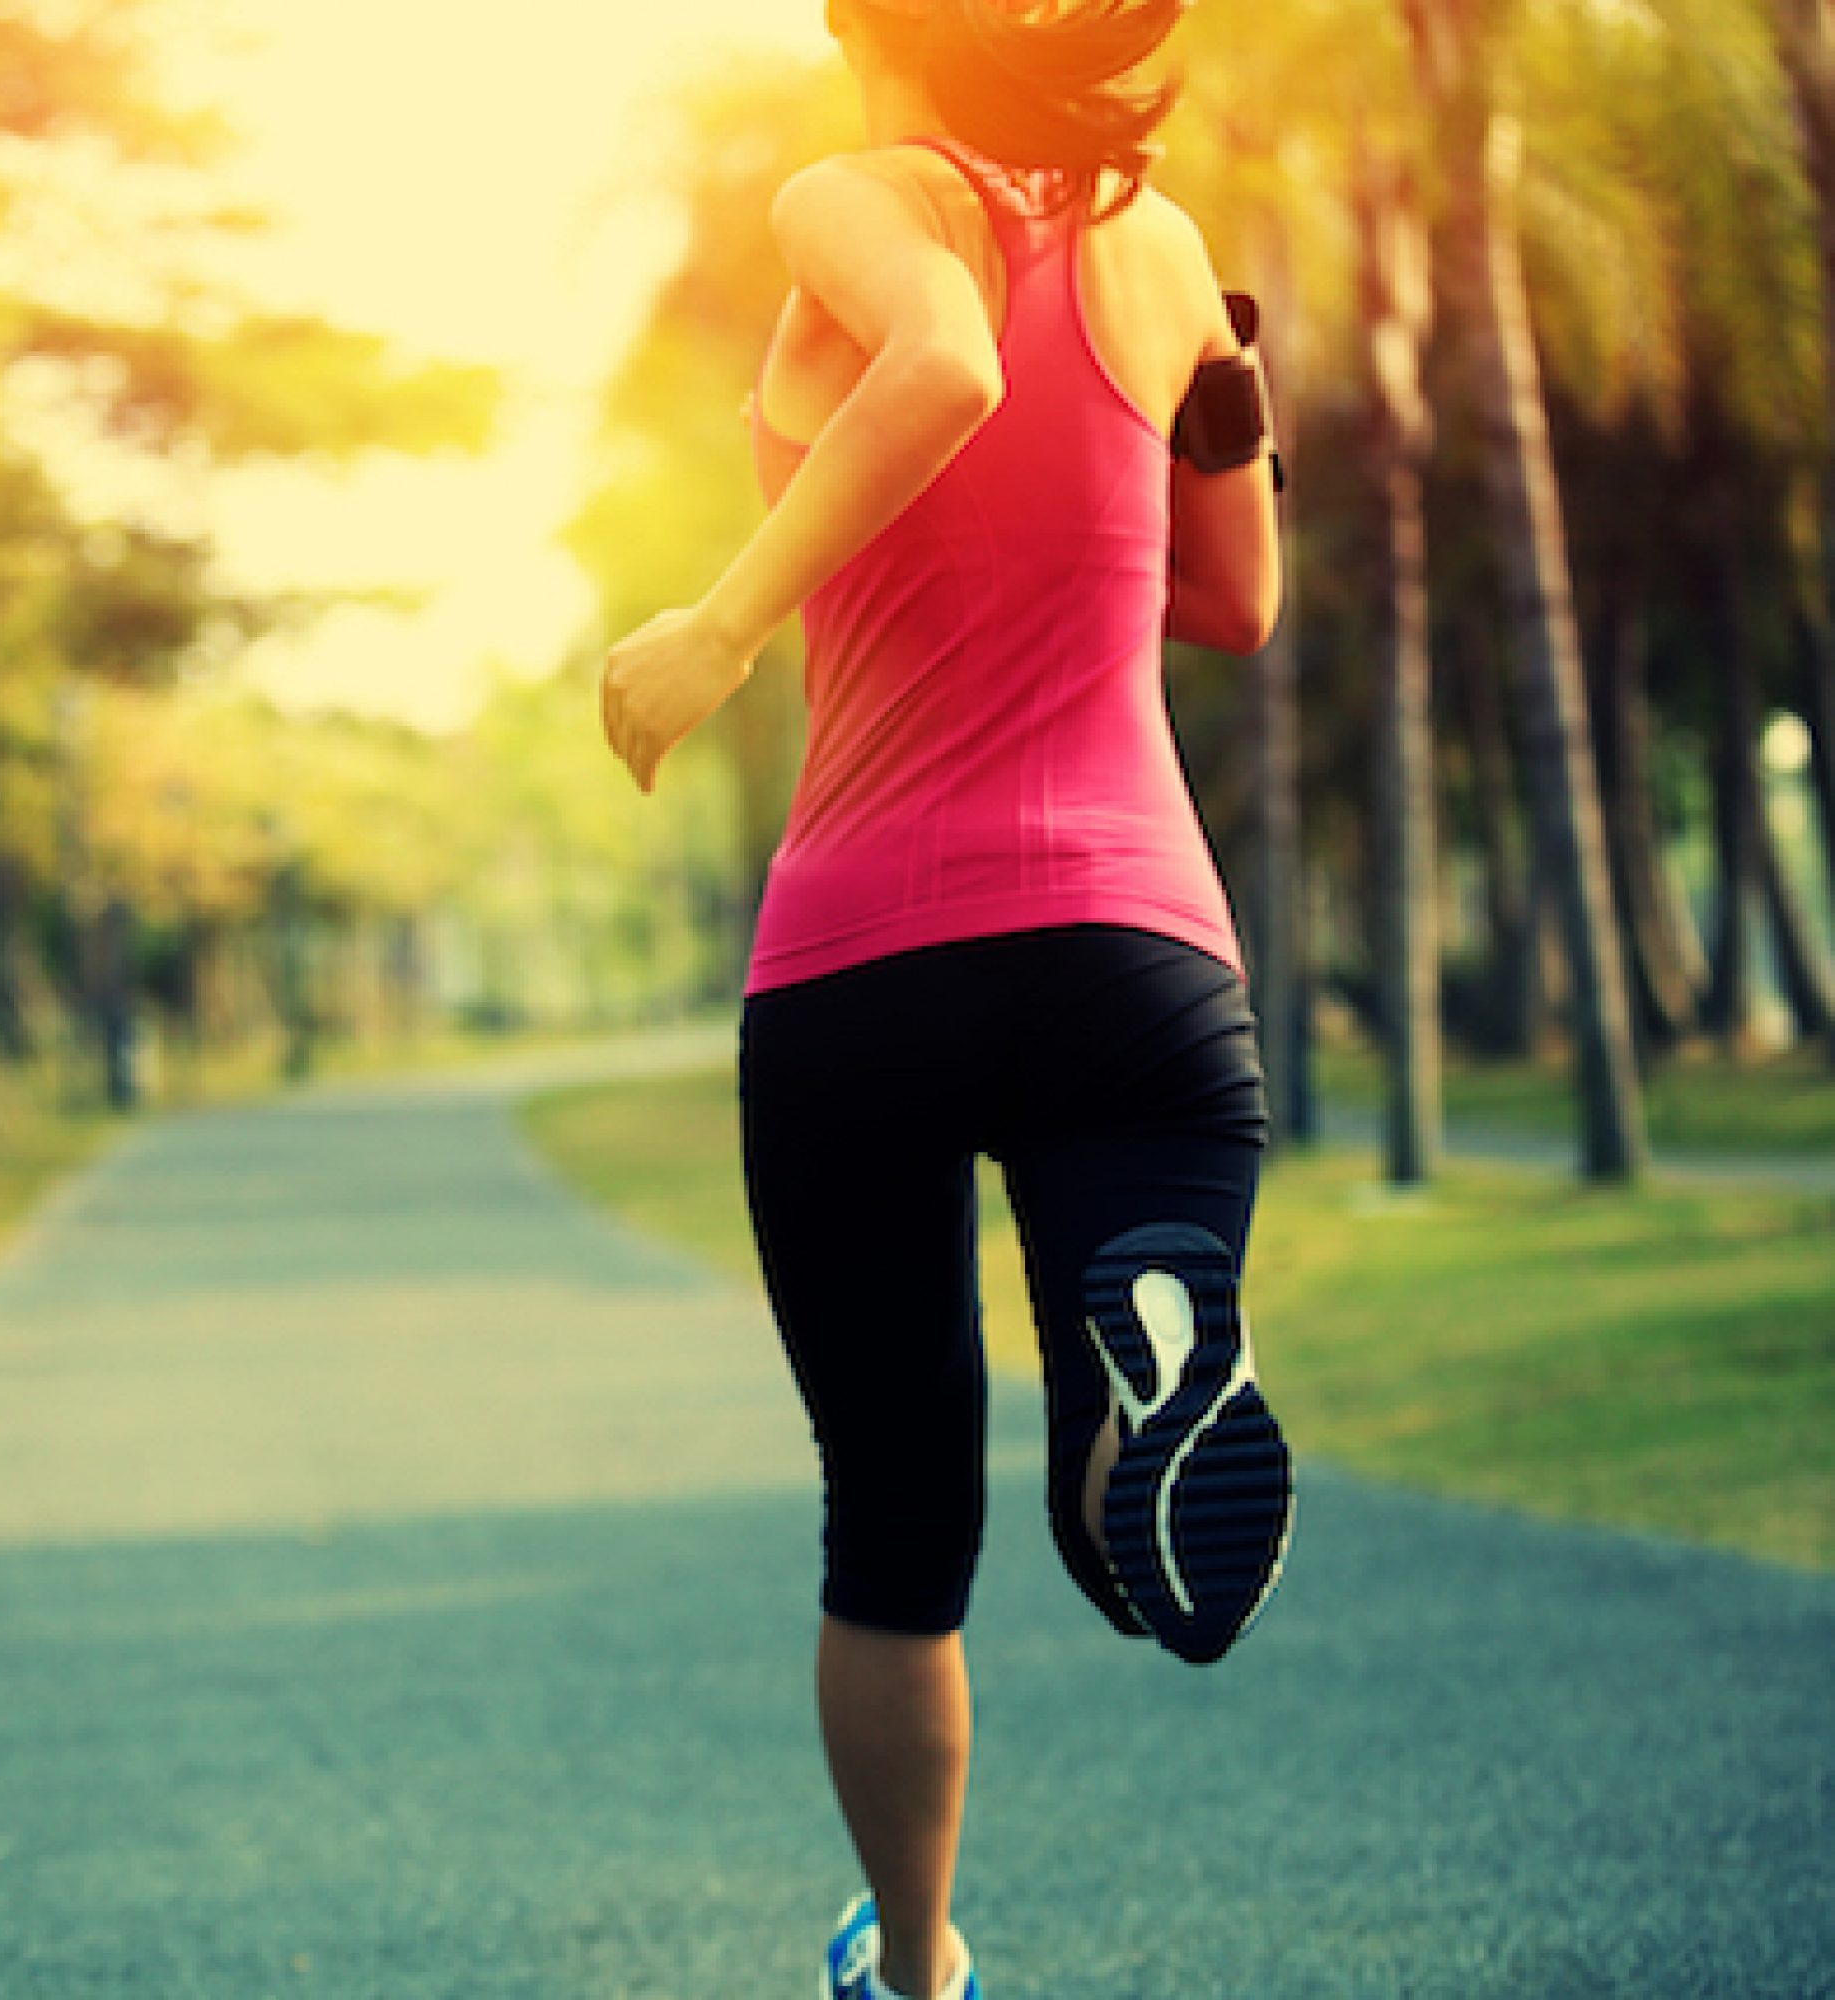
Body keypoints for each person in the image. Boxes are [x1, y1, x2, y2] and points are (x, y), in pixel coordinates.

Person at [596, 3, 1292, 1996]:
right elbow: (1233, 598)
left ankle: (912, 1971)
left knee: (894, 1520)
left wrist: (716, 627)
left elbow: (949, 361)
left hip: (863, 957)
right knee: (1109, 1504)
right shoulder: (1157, 244)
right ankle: (1132, 1393)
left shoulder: (857, 192)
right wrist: (1219, 386)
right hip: (1135, 958)